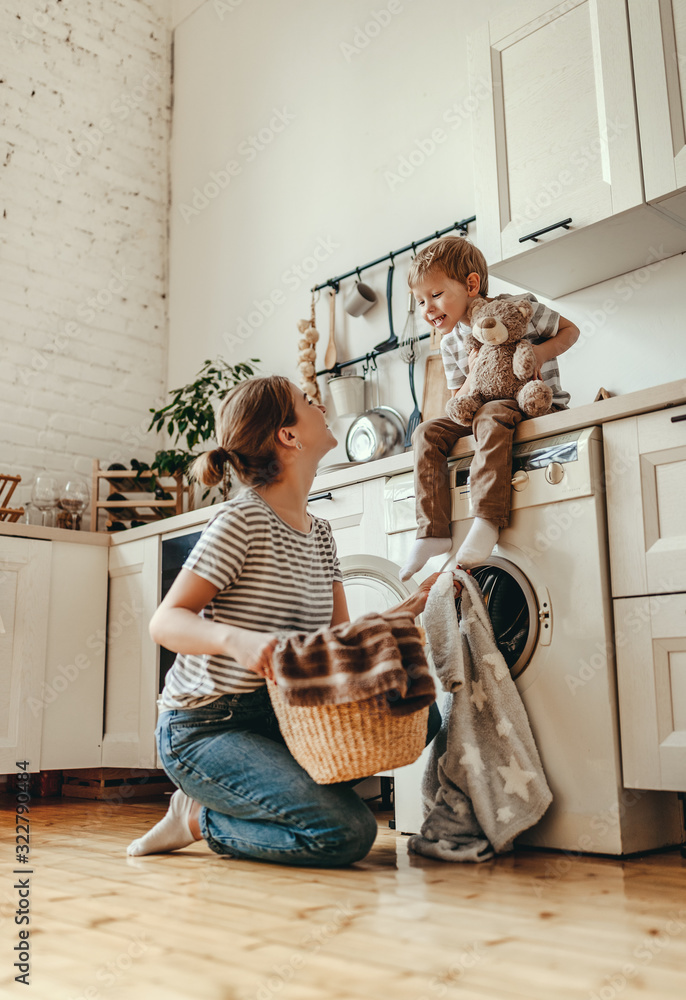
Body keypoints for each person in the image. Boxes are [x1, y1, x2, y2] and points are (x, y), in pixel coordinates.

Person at [127, 375, 444, 867]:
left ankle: (274, 794)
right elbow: (166, 622)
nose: (318, 405)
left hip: (284, 709)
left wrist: (405, 610)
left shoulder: (320, 533)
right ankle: (196, 817)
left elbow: (336, 642)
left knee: (419, 709)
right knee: (345, 834)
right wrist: (238, 642)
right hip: (206, 726)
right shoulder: (241, 520)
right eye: (306, 401)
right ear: (288, 436)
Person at [400, 236, 579, 581]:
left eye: (435, 295)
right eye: (420, 301)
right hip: (482, 413)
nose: (428, 309)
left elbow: (571, 331)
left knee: (490, 413)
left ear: (471, 284)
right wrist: (474, 367)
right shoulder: (451, 342)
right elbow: (457, 402)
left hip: (534, 404)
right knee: (426, 432)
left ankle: (486, 519)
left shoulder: (519, 307)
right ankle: (432, 532)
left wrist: (540, 353)